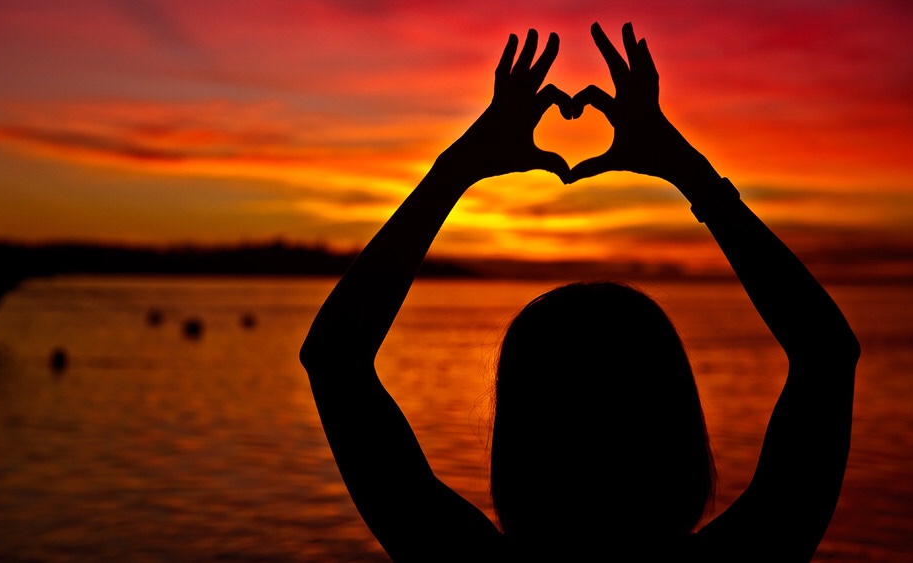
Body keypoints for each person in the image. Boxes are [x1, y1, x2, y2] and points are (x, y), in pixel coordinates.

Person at [300, 22, 859, 562]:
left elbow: (335, 358)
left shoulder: (457, 559)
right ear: (675, 429)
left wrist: (458, 169)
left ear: (522, 440)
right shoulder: (754, 553)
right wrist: (687, 171)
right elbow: (826, 353)